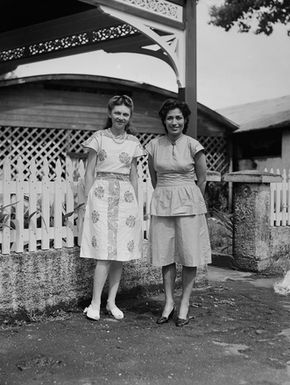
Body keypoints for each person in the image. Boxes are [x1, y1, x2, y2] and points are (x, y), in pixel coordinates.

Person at [145, 99, 211, 327]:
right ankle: (169, 302)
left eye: (179, 117)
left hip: (189, 203)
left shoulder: (194, 145)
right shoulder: (153, 146)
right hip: (163, 200)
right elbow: (154, 178)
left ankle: (184, 303)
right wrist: (167, 194)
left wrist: (190, 198)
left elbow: (202, 179)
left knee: (189, 254)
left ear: (185, 120)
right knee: (166, 254)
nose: (174, 122)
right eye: (170, 118)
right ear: (164, 121)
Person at [80, 95, 146, 321]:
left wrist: (136, 206)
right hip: (101, 196)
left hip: (126, 199)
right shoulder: (98, 138)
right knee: (104, 255)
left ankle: (111, 302)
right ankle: (95, 303)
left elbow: (135, 175)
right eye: (117, 113)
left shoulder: (133, 142)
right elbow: (89, 171)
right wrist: (88, 199)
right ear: (110, 114)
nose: (121, 117)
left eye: (125, 114)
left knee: (119, 255)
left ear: (129, 118)